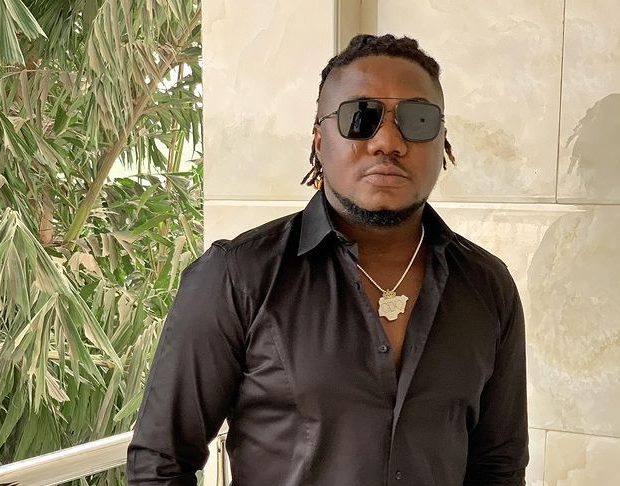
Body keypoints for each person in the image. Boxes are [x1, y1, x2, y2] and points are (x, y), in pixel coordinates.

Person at [127, 34, 529, 485]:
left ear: (443, 142)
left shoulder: (487, 286)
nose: (388, 141)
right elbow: (160, 465)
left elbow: (499, 467)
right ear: (319, 141)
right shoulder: (238, 276)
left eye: (418, 120)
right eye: (361, 118)